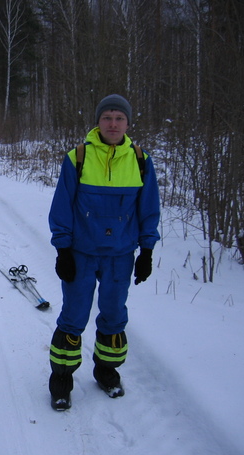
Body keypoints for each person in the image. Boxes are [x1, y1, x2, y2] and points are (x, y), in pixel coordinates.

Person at [47, 94, 160, 411]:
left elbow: (149, 210)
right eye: (107, 117)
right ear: (98, 121)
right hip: (81, 253)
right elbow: (61, 208)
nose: (113, 123)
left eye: (119, 118)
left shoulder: (140, 160)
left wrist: (147, 251)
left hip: (120, 256)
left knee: (113, 316)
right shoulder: (77, 157)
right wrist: (63, 250)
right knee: (74, 316)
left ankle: (106, 371)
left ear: (127, 123)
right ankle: (62, 379)